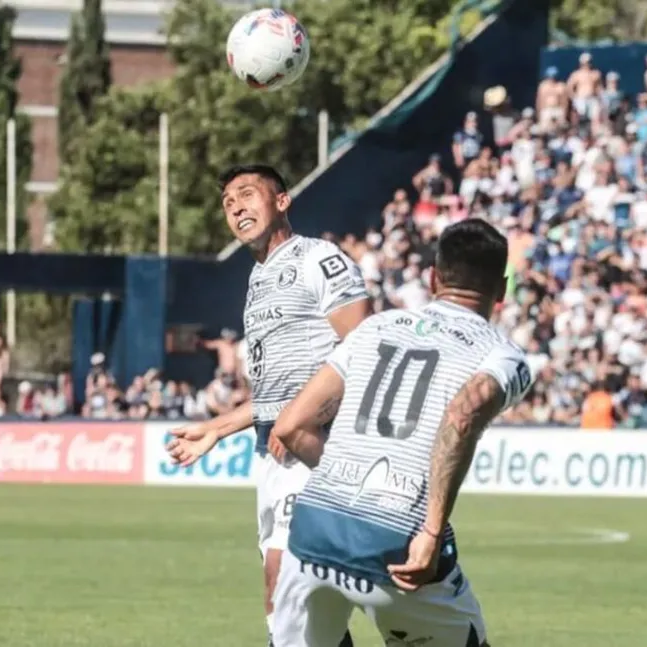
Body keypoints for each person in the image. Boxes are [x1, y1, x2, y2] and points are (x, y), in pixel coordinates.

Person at [267, 219, 534, 646]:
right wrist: (430, 531)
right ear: (501, 291)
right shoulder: (502, 356)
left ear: (433, 277)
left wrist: (344, 473)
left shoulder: (374, 328)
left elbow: (290, 426)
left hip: (314, 528)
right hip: (395, 541)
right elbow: (462, 415)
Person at [165, 164, 369, 647]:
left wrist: (303, 421)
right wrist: (219, 427)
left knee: (285, 583)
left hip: (318, 445)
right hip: (274, 451)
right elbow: (275, 396)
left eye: (247, 194)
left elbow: (363, 350)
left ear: (282, 201)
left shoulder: (319, 258)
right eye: (228, 203)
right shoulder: (257, 280)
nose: (236, 206)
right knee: (296, 603)